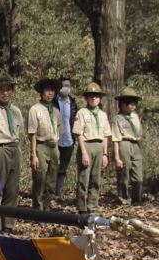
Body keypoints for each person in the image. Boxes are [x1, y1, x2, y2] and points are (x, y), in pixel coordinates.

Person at [0, 73, 23, 233]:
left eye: (8, 89)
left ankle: (8, 225)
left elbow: (19, 130)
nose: (5, 93)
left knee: (12, 189)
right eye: (2, 89)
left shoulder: (16, 111)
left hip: (14, 148)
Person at [72, 83, 111, 215]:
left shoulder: (103, 115)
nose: (94, 98)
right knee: (84, 179)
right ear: (86, 98)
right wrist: (83, 153)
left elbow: (106, 135)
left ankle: (92, 206)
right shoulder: (82, 113)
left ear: (100, 98)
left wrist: (105, 154)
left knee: (96, 179)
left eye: (96, 96)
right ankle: (82, 208)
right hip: (87, 145)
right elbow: (79, 134)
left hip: (99, 146)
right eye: (91, 96)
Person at [28, 78, 62, 210]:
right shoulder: (35, 109)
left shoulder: (56, 111)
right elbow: (32, 134)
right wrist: (33, 154)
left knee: (51, 180)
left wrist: (57, 151)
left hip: (54, 146)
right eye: (47, 90)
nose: (50, 93)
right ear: (42, 93)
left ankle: (47, 207)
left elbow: (58, 131)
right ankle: (38, 208)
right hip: (41, 146)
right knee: (40, 178)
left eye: (52, 91)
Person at [112, 86, 144, 205]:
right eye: (130, 104)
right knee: (124, 172)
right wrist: (117, 157)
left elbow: (139, 132)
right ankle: (123, 198)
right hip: (123, 144)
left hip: (135, 144)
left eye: (134, 104)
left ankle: (137, 199)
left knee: (138, 175)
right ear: (123, 104)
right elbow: (115, 138)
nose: (133, 106)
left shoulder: (135, 116)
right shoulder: (118, 118)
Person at [53, 76, 78, 201]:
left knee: (63, 168)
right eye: (63, 85)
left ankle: (58, 192)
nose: (65, 88)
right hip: (55, 140)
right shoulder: (53, 102)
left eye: (68, 85)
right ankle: (49, 192)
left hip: (68, 140)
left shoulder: (73, 103)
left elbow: (74, 120)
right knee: (52, 167)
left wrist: (75, 138)